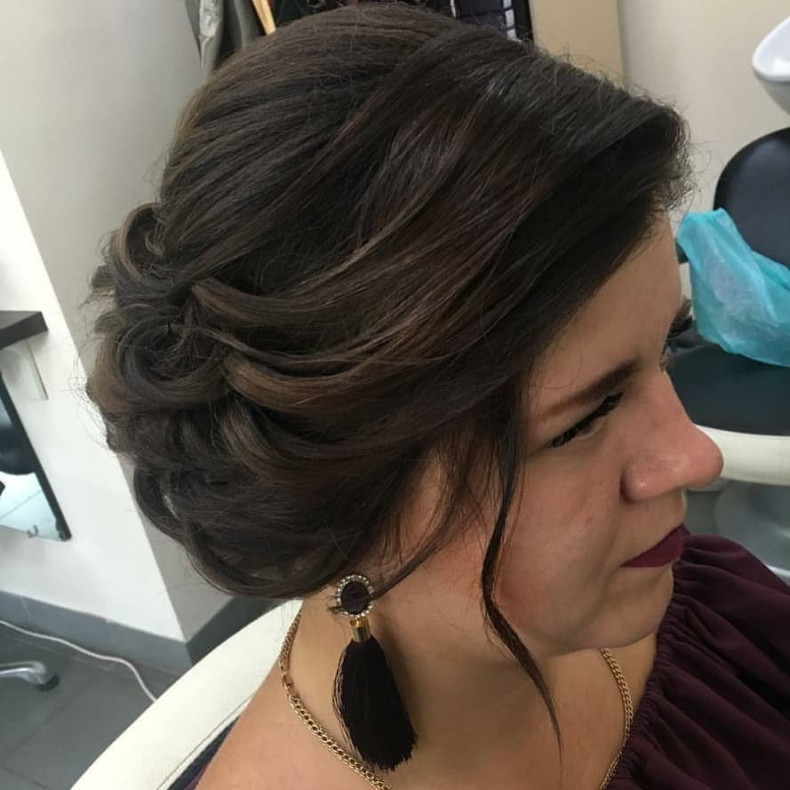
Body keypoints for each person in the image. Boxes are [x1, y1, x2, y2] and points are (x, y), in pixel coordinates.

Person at [83, 4, 790, 788]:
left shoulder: (709, 613)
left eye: (666, 347)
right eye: (585, 419)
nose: (696, 456)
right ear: (344, 492)